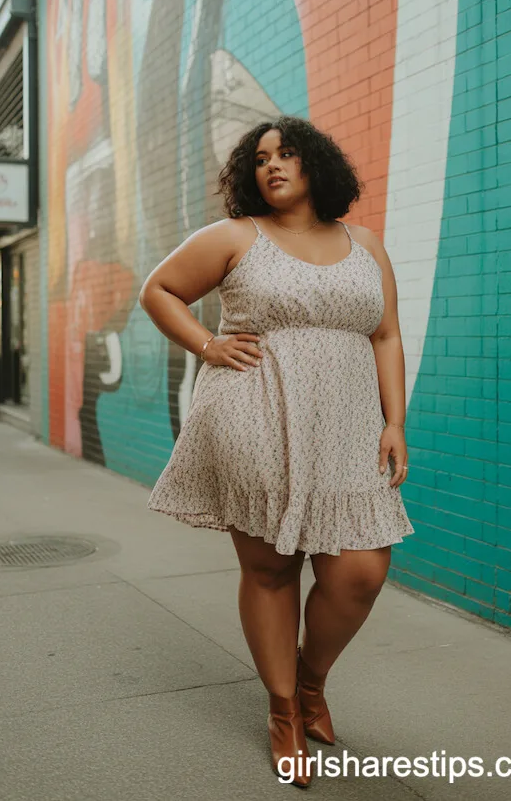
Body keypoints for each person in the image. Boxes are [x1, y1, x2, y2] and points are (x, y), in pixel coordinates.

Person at [139, 115, 414, 787]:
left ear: (316, 165)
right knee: (271, 569)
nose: (273, 165)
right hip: (253, 416)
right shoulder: (236, 237)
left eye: (287, 153)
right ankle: (285, 708)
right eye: (261, 158)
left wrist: (395, 422)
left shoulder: (365, 245)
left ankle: (311, 680)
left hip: (348, 427)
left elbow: (385, 335)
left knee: (361, 571)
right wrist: (208, 345)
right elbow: (159, 290)